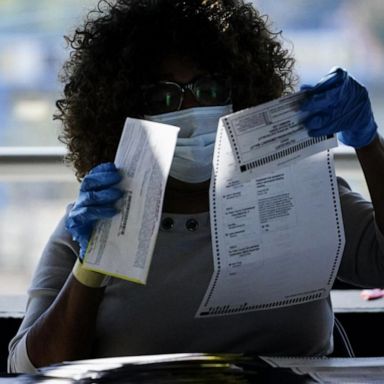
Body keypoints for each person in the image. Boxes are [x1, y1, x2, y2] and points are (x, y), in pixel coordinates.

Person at [8, 0, 384, 373]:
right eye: (164, 98)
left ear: (241, 92)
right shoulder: (96, 221)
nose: (191, 111)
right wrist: (92, 267)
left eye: (209, 90)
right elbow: (28, 367)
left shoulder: (297, 192)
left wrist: (369, 144)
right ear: (124, 113)